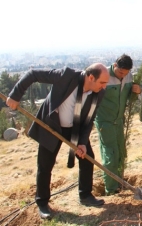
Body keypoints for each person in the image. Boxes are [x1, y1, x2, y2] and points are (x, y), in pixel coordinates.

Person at [6, 63, 109, 220]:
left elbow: (90, 120)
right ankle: (42, 203)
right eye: (102, 82)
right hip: (52, 126)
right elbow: (33, 74)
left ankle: (86, 195)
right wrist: (15, 95)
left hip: (75, 128)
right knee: (45, 165)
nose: (104, 87)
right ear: (90, 77)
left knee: (87, 159)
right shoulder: (65, 76)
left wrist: (82, 142)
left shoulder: (99, 92)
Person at [94, 54, 141, 195]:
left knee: (120, 153)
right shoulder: (103, 77)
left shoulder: (128, 77)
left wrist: (137, 92)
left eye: (125, 73)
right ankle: (111, 189)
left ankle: (119, 183)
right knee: (110, 155)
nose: (122, 76)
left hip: (119, 121)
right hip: (105, 122)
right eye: (120, 72)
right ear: (115, 66)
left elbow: (130, 98)